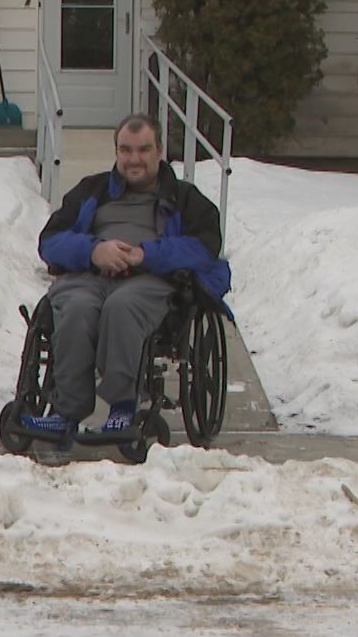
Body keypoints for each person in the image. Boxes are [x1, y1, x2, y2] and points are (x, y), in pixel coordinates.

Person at [21, 113, 230, 447]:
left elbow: (204, 248)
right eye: (126, 150)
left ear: (159, 151)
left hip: (150, 279)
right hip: (91, 275)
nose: (134, 159)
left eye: (144, 150)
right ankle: (66, 413)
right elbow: (51, 240)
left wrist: (146, 255)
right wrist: (93, 250)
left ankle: (122, 407)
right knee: (74, 307)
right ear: (116, 151)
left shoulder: (185, 198)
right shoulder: (91, 190)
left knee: (122, 306)